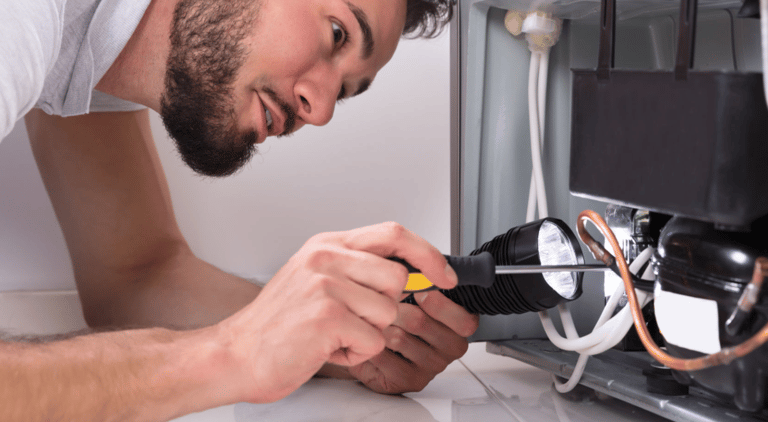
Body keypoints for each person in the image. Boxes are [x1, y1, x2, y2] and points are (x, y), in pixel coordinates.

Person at [0, 0, 480, 420]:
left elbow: (137, 275)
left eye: (346, 89)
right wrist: (230, 357)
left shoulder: (96, 50)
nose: (321, 109)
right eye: (337, 33)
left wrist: (335, 343)